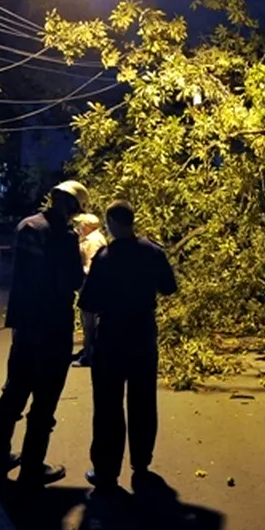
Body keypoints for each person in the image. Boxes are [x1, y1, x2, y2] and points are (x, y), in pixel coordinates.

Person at [0, 181, 87, 487]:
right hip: (54, 327)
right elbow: (71, 280)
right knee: (44, 400)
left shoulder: (26, 227)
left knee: (14, 393)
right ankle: (32, 467)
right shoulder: (64, 236)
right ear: (72, 208)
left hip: (24, 326)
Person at [79, 200, 178, 491]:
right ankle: (141, 462)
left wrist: (90, 341)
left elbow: (88, 304)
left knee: (108, 405)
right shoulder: (153, 252)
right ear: (132, 221)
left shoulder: (105, 258)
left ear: (110, 222)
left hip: (111, 336)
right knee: (143, 400)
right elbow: (169, 288)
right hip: (143, 334)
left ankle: (106, 470)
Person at [72, 212, 109, 368]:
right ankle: (90, 352)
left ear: (86, 226)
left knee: (90, 322)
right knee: (91, 321)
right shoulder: (95, 238)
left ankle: (89, 356)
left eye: (80, 224)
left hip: (91, 285)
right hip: (94, 285)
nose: (78, 227)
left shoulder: (92, 241)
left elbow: (91, 267)